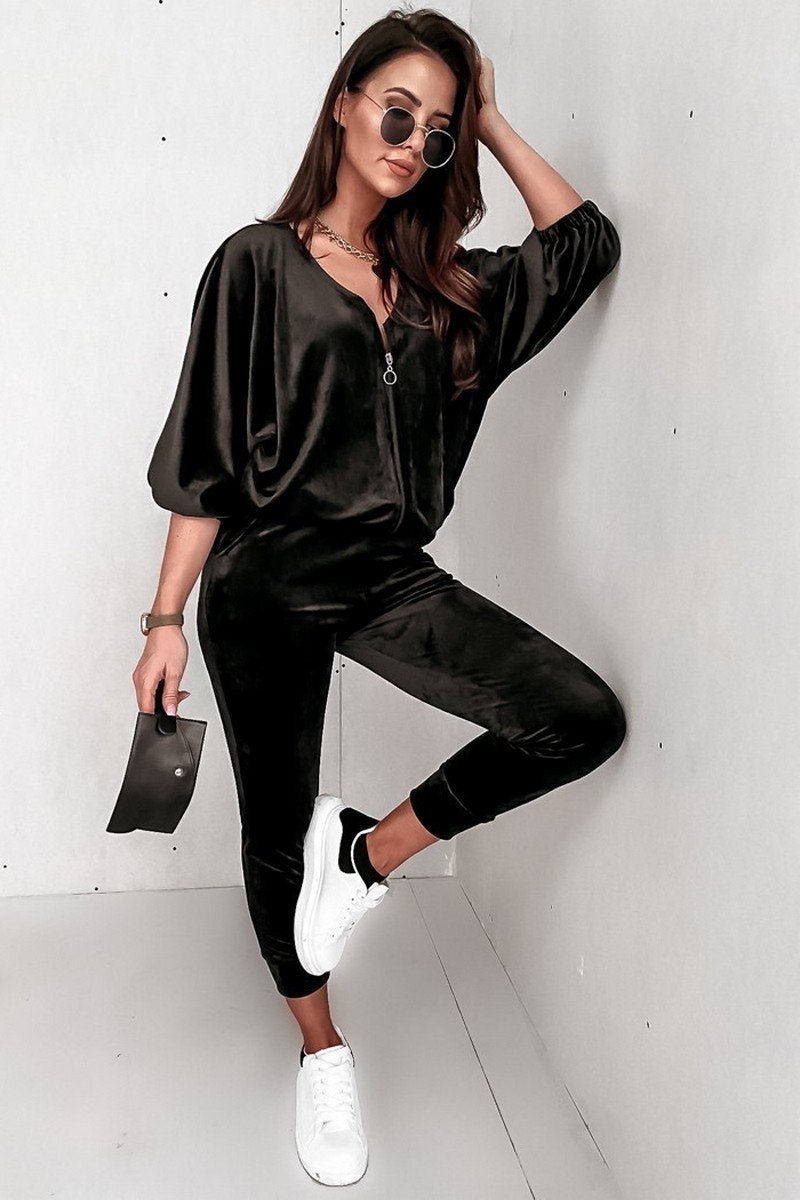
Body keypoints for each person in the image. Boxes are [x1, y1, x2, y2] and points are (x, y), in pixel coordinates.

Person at [132, 8, 625, 1187]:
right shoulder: (257, 263)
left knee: (574, 717)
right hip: (264, 581)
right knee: (269, 834)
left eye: (436, 132)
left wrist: (490, 119)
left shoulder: (448, 294)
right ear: (345, 103)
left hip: (389, 577)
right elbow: (204, 462)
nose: (413, 144)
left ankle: (362, 854)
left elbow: (584, 244)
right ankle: (321, 1048)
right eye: (397, 113)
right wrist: (161, 623)